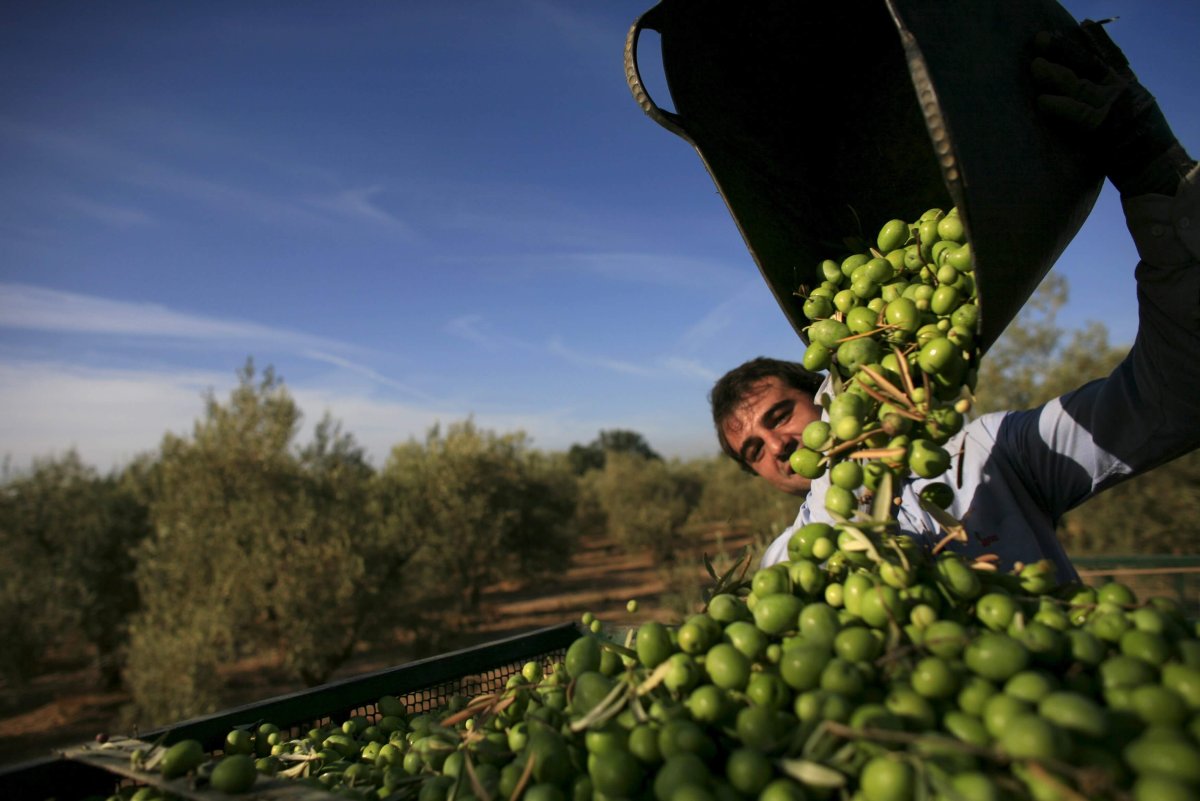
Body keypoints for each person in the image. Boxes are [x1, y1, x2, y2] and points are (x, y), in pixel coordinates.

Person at [710, 26, 1200, 582]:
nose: (778, 445)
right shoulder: (789, 567)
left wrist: (1160, 183)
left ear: (825, 392)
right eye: (754, 451)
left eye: (780, 416)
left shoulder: (989, 454)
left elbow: (1178, 396)